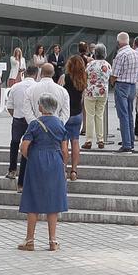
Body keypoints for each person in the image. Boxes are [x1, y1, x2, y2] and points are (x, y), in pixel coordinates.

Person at [17, 95, 72, 252]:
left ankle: (29, 240)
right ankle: (53, 241)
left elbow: (24, 146)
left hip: (37, 160)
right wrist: (63, 165)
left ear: (41, 107)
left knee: (33, 199)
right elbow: (64, 150)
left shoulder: (34, 124)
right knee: (53, 200)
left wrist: (31, 156)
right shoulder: (60, 125)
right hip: (55, 160)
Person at [109, 32, 138, 151]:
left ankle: (126, 144)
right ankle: (131, 141)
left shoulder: (120, 55)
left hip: (122, 85)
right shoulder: (135, 54)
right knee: (130, 114)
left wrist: (113, 82)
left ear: (118, 42)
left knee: (123, 115)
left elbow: (114, 74)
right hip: (132, 85)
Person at [6, 65, 40, 181]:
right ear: (36, 74)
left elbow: (9, 106)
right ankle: (24, 175)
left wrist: (15, 115)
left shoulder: (15, 87)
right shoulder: (37, 87)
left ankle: (12, 170)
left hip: (18, 118)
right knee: (28, 146)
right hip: (32, 120)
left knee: (14, 143)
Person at [63, 47, 87, 179]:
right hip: (77, 113)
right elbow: (83, 97)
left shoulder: (65, 77)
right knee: (75, 142)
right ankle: (74, 170)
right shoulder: (83, 79)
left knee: (64, 142)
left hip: (66, 113)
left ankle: (64, 169)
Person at [82, 44, 112, 150]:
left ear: (95, 53)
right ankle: (100, 140)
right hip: (103, 91)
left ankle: (89, 140)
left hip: (91, 91)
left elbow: (85, 76)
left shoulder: (90, 64)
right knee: (99, 115)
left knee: (90, 115)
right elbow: (109, 77)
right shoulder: (107, 65)